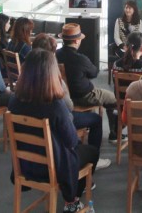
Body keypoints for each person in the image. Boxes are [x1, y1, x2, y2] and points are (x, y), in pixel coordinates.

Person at [8, 48, 100, 213]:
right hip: (54, 167)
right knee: (92, 152)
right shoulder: (55, 105)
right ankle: (72, 201)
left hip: (25, 164)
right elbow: (71, 141)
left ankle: (70, 195)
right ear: (52, 73)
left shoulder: (14, 101)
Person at [33, 33, 112, 170]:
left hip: (30, 159)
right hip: (60, 143)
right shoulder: (56, 84)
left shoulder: (21, 89)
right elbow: (68, 109)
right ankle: (110, 140)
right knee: (97, 119)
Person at [56, 24, 119, 142]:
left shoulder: (55, 55)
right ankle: (114, 134)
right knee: (114, 99)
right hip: (84, 96)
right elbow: (94, 73)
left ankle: (88, 125)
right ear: (76, 40)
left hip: (64, 97)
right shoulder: (81, 58)